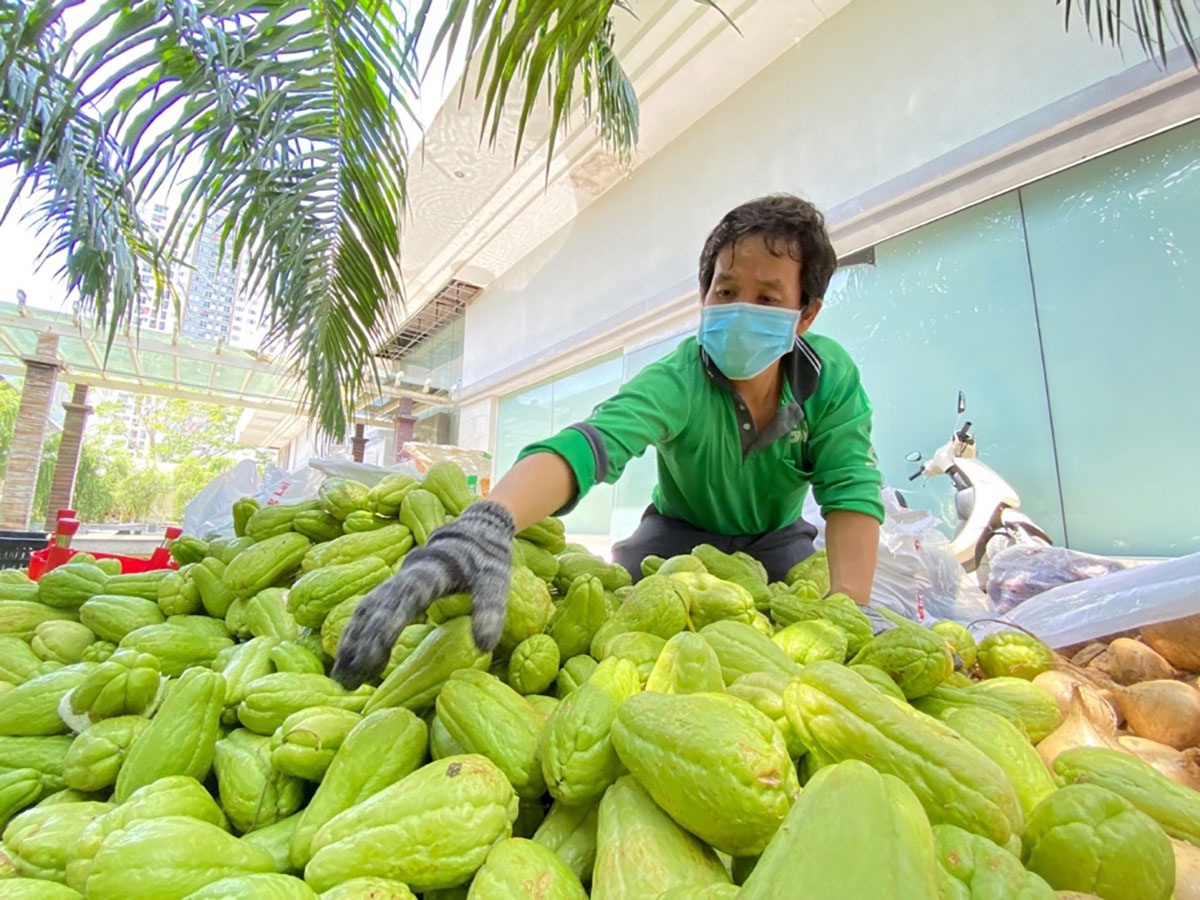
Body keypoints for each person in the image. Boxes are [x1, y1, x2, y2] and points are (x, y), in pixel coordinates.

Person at [332, 194, 885, 689]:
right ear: (704, 295)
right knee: (616, 614)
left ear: (804, 314)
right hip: (675, 537)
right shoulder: (679, 380)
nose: (741, 309)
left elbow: (851, 487)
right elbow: (592, 444)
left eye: (768, 298)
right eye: (727, 290)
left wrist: (849, 608)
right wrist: (489, 523)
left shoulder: (829, 378)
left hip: (775, 539)